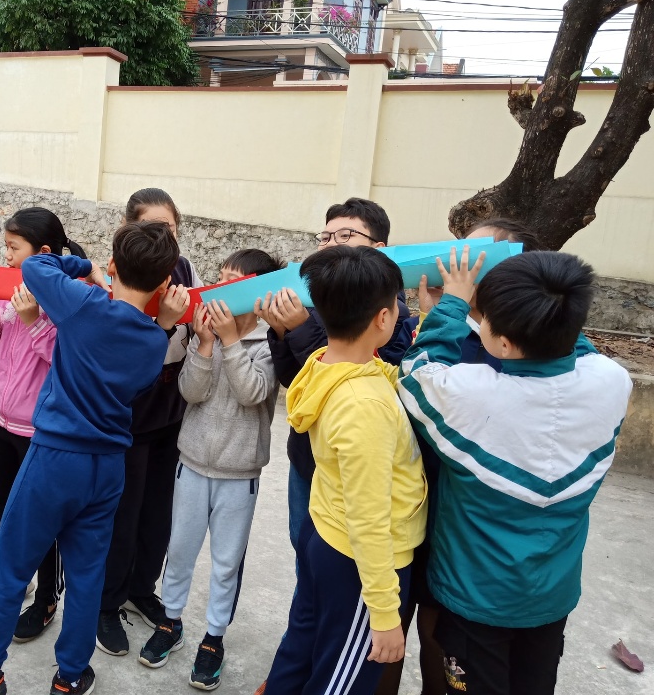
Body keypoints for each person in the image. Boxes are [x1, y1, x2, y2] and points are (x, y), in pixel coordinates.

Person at [0, 221, 180, 695]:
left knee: (9, 566)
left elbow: (36, 266)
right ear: (165, 281)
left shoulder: (84, 302)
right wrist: (164, 322)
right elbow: (139, 378)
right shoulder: (154, 340)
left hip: (56, 458)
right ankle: (70, 676)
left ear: (113, 265)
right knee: (87, 575)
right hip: (108, 466)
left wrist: (85, 266)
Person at [397, 248, 632, 695]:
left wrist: (451, 306)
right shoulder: (612, 381)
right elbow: (579, 348)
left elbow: (415, 372)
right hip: (551, 597)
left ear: (503, 343)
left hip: (475, 599)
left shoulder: (471, 396)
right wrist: (542, 305)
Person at [376, 217, 543, 695]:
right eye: (458, 253)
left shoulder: (517, 352)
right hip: (407, 511)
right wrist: (437, 316)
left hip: (460, 529)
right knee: (386, 635)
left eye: (475, 259)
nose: (457, 266)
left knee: (442, 643)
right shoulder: (438, 328)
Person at [261, 245, 427, 695]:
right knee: (341, 681)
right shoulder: (364, 406)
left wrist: (431, 320)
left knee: (301, 652)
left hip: (327, 536)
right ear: (383, 319)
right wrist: (385, 615)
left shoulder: (327, 364)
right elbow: (369, 518)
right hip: (360, 562)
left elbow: (386, 373)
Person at [138, 249, 283, 691]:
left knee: (226, 561)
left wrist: (231, 342)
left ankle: (214, 638)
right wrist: (204, 345)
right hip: (192, 463)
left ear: (257, 290)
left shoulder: (268, 343)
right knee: (180, 550)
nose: (220, 288)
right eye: (219, 277)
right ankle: (171, 621)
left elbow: (253, 392)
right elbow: (190, 392)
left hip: (240, 472)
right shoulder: (204, 332)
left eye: (233, 280)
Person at [255, 198, 418, 552]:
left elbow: (357, 374)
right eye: (325, 237)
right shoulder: (313, 301)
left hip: (356, 464)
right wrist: (282, 331)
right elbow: (295, 381)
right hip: (307, 457)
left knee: (344, 554)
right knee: (304, 548)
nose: (330, 244)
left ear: (379, 249)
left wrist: (300, 328)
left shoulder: (393, 317)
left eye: (344, 235)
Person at [97, 187, 201, 656]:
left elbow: (195, 327)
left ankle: (141, 589)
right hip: (129, 408)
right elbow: (119, 342)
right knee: (123, 512)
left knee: (159, 512)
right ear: (127, 228)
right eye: (153, 227)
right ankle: (106, 603)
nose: (164, 237)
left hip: (171, 406)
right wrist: (164, 321)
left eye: (171, 229)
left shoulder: (184, 270)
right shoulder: (118, 272)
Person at [0, 207, 83, 641]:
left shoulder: (66, 297)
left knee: (41, 518)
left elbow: (62, 360)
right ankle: (17, 579)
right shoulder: (8, 289)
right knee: (4, 505)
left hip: (36, 430)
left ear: (43, 252)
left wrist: (33, 319)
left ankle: (47, 598)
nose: (7, 256)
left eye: (14, 248)